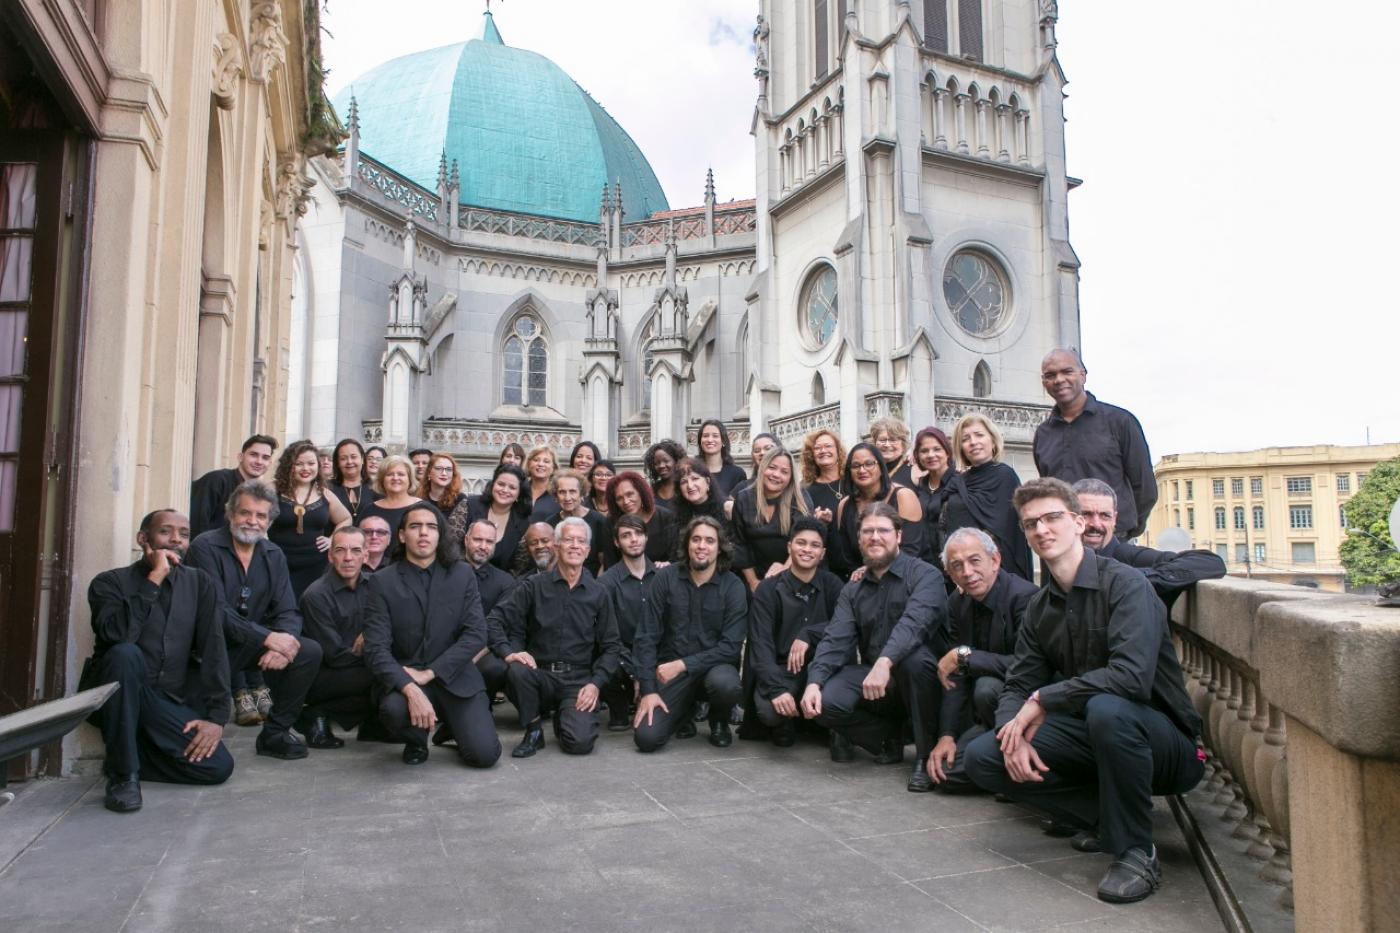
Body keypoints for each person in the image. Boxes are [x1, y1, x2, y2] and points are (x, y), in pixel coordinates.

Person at [964, 478, 1204, 904]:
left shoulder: (1127, 585)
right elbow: (1019, 682)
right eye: (1031, 523)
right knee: (985, 756)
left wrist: (1045, 699)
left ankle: (1136, 850)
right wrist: (1011, 733)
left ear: (1077, 522)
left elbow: (1130, 678)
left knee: (1107, 708)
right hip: (1096, 738)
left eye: (1053, 517)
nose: (1042, 530)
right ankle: (1110, 818)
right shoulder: (1040, 607)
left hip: (1164, 745)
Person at [83, 510, 233, 812]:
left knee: (217, 767)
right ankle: (123, 775)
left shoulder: (199, 583)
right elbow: (118, 635)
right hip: (115, 695)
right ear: (143, 539)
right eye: (166, 531)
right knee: (126, 653)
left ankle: (131, 755)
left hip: (163, 702)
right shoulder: (108, 582)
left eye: (184, 534)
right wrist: (154, 578)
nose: (176, 539)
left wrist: (216, 718)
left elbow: (213, 648)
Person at [800, 503, 946, 793]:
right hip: (878, 684)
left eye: (883, 530)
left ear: (899, 536)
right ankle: (888, 736)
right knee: (825, 703)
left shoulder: (926, 575)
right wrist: (813, 682)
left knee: (914, 661)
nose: (875, 537)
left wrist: (885, 661)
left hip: (924, 682)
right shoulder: (853, 588)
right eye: (868, 531)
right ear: (859, 538)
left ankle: (925, 755)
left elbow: (914, 623)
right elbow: (835, 638)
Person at [185, 481, 321, 760]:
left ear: (269, 521)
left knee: (309, 651)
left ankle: (275, 734)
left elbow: (288, 610)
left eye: (261, 516)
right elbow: (215, 610)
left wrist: (285, 642)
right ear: (230, 513)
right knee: (200, 751)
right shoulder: (205, 547)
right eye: (245, 513)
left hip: (245, 646)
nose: (252, 521)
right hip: (205, 652)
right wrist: (268, 638)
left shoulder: (273, 554)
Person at [361, 503, 502, 768]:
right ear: (402, 535)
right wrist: (411, 689)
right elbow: (375, 649)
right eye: (415, 527)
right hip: (408, 679)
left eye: (431, 527)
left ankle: (454, 727)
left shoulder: (462, 574)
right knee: (392, 710)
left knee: (484, 756)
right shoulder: (382, 581)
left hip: (456, 679)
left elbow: (476, 634)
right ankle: (415, 739)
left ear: (440, 535)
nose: (423, 533)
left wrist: (431, 672)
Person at [488, 518, 621, 758]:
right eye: (568, 540)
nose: (574, 546)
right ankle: (533, 730)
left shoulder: (599, 593)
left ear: (588, 550)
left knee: (579, 744)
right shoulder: (534, 586)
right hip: (540, 675)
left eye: (581, 541)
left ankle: (566, 716)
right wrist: (508, 652)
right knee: (517, 670)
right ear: (556, 547)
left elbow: (612, 647)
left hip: (578, 680)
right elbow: (495, 620)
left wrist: (595, 684)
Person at [924, 528, 1037, 793]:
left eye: (975, 560)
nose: (967, 572)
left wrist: (968, 656)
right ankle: (1000, 765)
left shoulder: (1025, 598)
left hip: (1025, 706)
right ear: (950, 575)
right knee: (945, 775)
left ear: (995, 560)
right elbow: (955, 675)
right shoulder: (957, 603)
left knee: (987, 687)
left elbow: (1029, 668)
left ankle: (1013, 765)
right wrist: (946, 736)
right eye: (957, 566)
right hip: (988, 718)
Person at [632, 516, 747, 752]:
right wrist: (648, 690)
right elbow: (646, 635)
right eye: (696, 539)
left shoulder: (733, 586)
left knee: (726, 684)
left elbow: (730, 648)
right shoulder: (665, 578)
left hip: (714, 669)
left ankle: (719, 721)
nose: (702, 546)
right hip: (671, 674)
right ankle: (683, 714)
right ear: (687, 544)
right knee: (646, 739)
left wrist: (683, 664)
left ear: (719, 547)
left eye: (709, 540)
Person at [1034, 348, 1157, 539]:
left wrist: (1124, 531)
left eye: (1067, 372)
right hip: (1062, 542)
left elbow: (1145, 487)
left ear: (1083, 376)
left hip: (1112, 540)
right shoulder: (1043, 434)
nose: (1059, 380)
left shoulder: (1120, 422)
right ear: (1044, 383)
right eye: (1051, 375)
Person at [747, 517, 842, 747]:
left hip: (823, 670)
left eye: (814, 545)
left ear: (822, 553)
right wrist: (777, 689)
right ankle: (787, 721)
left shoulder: (833, 585)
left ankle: (816, 722)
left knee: (834, 702)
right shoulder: (768, 589)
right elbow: (761, 645)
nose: (807, 550)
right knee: (770, 711)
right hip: (782, 670)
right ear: (789, 547)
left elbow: (845, 628)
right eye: (801, 543)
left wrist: (810, 633)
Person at [1072, 478, 1226, 609]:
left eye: (1105, 516)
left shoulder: (1129, 557)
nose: (1096, 524)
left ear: (1115, 519)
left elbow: (1210, 562)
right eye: (1086, 514)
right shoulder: (1053, 563)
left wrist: (1130, 578)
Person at [297, 525, 377, 748]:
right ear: (330, 555)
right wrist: (376, 652)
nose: (348, 558)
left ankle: (371, 723)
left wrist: (372, 636)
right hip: (326, 674)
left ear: (366, 555)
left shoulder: (376, 586)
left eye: (355, 551)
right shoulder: (316, 596)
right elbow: (335, 656)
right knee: (388, 676)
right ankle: (314, 713)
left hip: (361, 665)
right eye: (340, 550)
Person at [940, 414, 1033, 581]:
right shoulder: (958, 481)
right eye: (965, 439)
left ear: (992, 440)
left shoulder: (1005, 476)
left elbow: (1005, 530)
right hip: (960, 569)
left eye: (979, 435)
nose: (973, 442)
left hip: (996, 571)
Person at [269, 440, 351, 598]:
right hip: (278, 563)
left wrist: (332, 539)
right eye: (299, 464)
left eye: (311, 463)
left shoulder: (325, 494)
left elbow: (346, 519)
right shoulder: (272, 490)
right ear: (288, 465)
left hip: (316, 567)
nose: (306, 469)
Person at [597, 514, 656, 732]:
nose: (633, 539)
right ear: (616, 542)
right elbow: (607, 636)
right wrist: (636, 674)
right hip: (621, 656)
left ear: (646, 537)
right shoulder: (606, 583)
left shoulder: (663, 577)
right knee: (604, 662)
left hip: (656, 656)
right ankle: (619, 706)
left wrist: (646, 673)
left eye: (638, 533)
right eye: (626, 535)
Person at [830, 443, 924, 579]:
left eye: (869, 463)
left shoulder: (903, 496)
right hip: (862, 581)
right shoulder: (844, 506)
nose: (862, 470)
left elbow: (911, 549)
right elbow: (848, 558)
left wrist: (871, 569)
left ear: (881, 467)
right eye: (856, 466)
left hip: (907, 576)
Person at [731, 447, 814, 591]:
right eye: (772, 467)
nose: (776, 474)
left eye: (784, 471)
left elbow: (804, 540)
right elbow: (740, 544)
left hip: (795, 573)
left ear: (790, 477)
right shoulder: (743, 498)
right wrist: (753, 583)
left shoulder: (800, 499)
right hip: (756, 578)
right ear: (762, 468)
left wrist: (784, 571)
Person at [446, 464, 532, 572]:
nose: (505, 490)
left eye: (512, 487)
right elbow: (449, 544)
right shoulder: (469, 505)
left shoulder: (523, 524)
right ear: (492, 485)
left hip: (497, 585)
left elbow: (518, 567)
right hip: (459, 575)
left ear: (519, 493)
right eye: (501, 484)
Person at [189, 434, 277, 537]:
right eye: (253, 455)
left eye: (265, 458)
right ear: (240, 457)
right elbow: (197, 522)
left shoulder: (260, 492)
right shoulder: (217, 480)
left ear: (269, 463)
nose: (259, 461)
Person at [531, 468, 609, 575]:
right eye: (562, 492)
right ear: (556, 496)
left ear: (581, 494)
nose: (567, 497)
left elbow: (604, 562)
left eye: (572, 491)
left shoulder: (598, 521)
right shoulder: (550, 523)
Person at [910, 427, 956, 571]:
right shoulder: (919, 485)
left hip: (952, 566)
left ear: (947, 452)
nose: (931, 455)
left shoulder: (959, 483)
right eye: (924, 451)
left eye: (937, 449)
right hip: (923, 565)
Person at [606, 471, 676, 564]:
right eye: (619, 498)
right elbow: (610, 562)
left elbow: (675, 558)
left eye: (630, 494)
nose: (626, 501)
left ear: (641, 492)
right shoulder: (612, 522)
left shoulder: (665, 517)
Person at [359, 454, 425, 543]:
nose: (395, 478)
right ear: (382, 479)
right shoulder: (369, 510)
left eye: (401, 474)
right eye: (390, 474)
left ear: (409, 479)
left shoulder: (423, 508)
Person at [799, 428, 847, 524]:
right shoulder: (806, 491)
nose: (823, 450)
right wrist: (816, 522)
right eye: (817, 448)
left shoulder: (852, 481)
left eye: (828, 446)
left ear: (838, 451)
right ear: (811, 455)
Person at [696, 419, 749, 498]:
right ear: (700, 441)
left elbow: (742, 505)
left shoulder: (737, 474)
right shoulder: (692, 471)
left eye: (715, 436)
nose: (710, 440)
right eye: (705, 436)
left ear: (723, 441)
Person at [672, 458, 727, 527]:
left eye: (695, 479)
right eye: (684, 482)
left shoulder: (726, 510)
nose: (690, 485)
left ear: (707, 482)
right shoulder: (675, 516)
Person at [327, 438, 371, 523]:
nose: (349, 462)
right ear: (338, 463)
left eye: (353, 457)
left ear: (362, 459)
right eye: (343, 458)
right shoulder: (327, 488)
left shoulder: (376, 487)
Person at [869, 417, 914, 487]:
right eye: (882, 440)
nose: (887, 445)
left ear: (903, 444)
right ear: (874, 443)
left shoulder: (913, 468)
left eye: (893, 440)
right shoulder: (867, 468)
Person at [644, 439, 686, 507]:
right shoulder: (651, 490)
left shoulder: (685, 486)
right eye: (657, 463)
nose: (661, 466)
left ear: (676, 461)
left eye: (666, 461)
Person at [524, 444, 559, 516]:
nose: (540, 464)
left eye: (546, 461)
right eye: (536, 460)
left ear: (554, 468)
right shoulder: (519, 490)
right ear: (528, 464)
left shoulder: (559, 494)